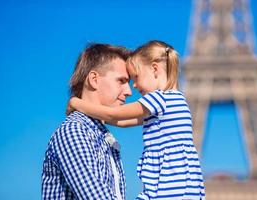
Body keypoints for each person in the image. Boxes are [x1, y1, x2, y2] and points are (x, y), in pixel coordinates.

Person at [68, 40, 206, 200]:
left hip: (168, 183)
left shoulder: (158, 99)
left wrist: (77, 103)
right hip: (185, 183)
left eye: (135, 77)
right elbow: (124, 122)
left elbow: (114, 115)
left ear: (155, 69)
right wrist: (102, 118)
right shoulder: (178, 100)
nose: (133, 86)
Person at [41, 43, 132, 200]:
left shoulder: (101, 136)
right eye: (121, 81)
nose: (129, 91)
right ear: (94, 79)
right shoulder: (74, 131)